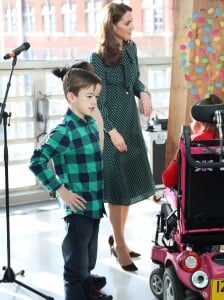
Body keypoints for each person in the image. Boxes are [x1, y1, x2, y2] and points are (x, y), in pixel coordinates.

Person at [29, 66, 113, 300]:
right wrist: (59, 190)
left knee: (88, 258)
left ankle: (88, 292)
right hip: (77, 209)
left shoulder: (88, 124)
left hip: (94, 205)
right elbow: (36, 161)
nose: (94, 101)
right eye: (89, 96)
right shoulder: (64, 131)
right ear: (71, 97)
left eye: (96, 96)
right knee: (75, 265)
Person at [90, 2, 155, 272]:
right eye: (127, 23)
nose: (132, 27)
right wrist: (111, 131)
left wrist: (145, 92)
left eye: (132, 22)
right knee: (116, 185)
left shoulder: (131, 47)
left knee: (126, 183)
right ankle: (118, 244)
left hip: (130, 120)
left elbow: (135, 80)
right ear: (112, 25)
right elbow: (98, 100)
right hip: (112, 123)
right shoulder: (97, 57)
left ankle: (120, 239)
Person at [162, 94, 224, 196]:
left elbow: (167, 180)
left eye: (192, 121)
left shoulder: (192, 143)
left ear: (200, 122)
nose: (190, 125)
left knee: (167, 197)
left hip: (196, 207)